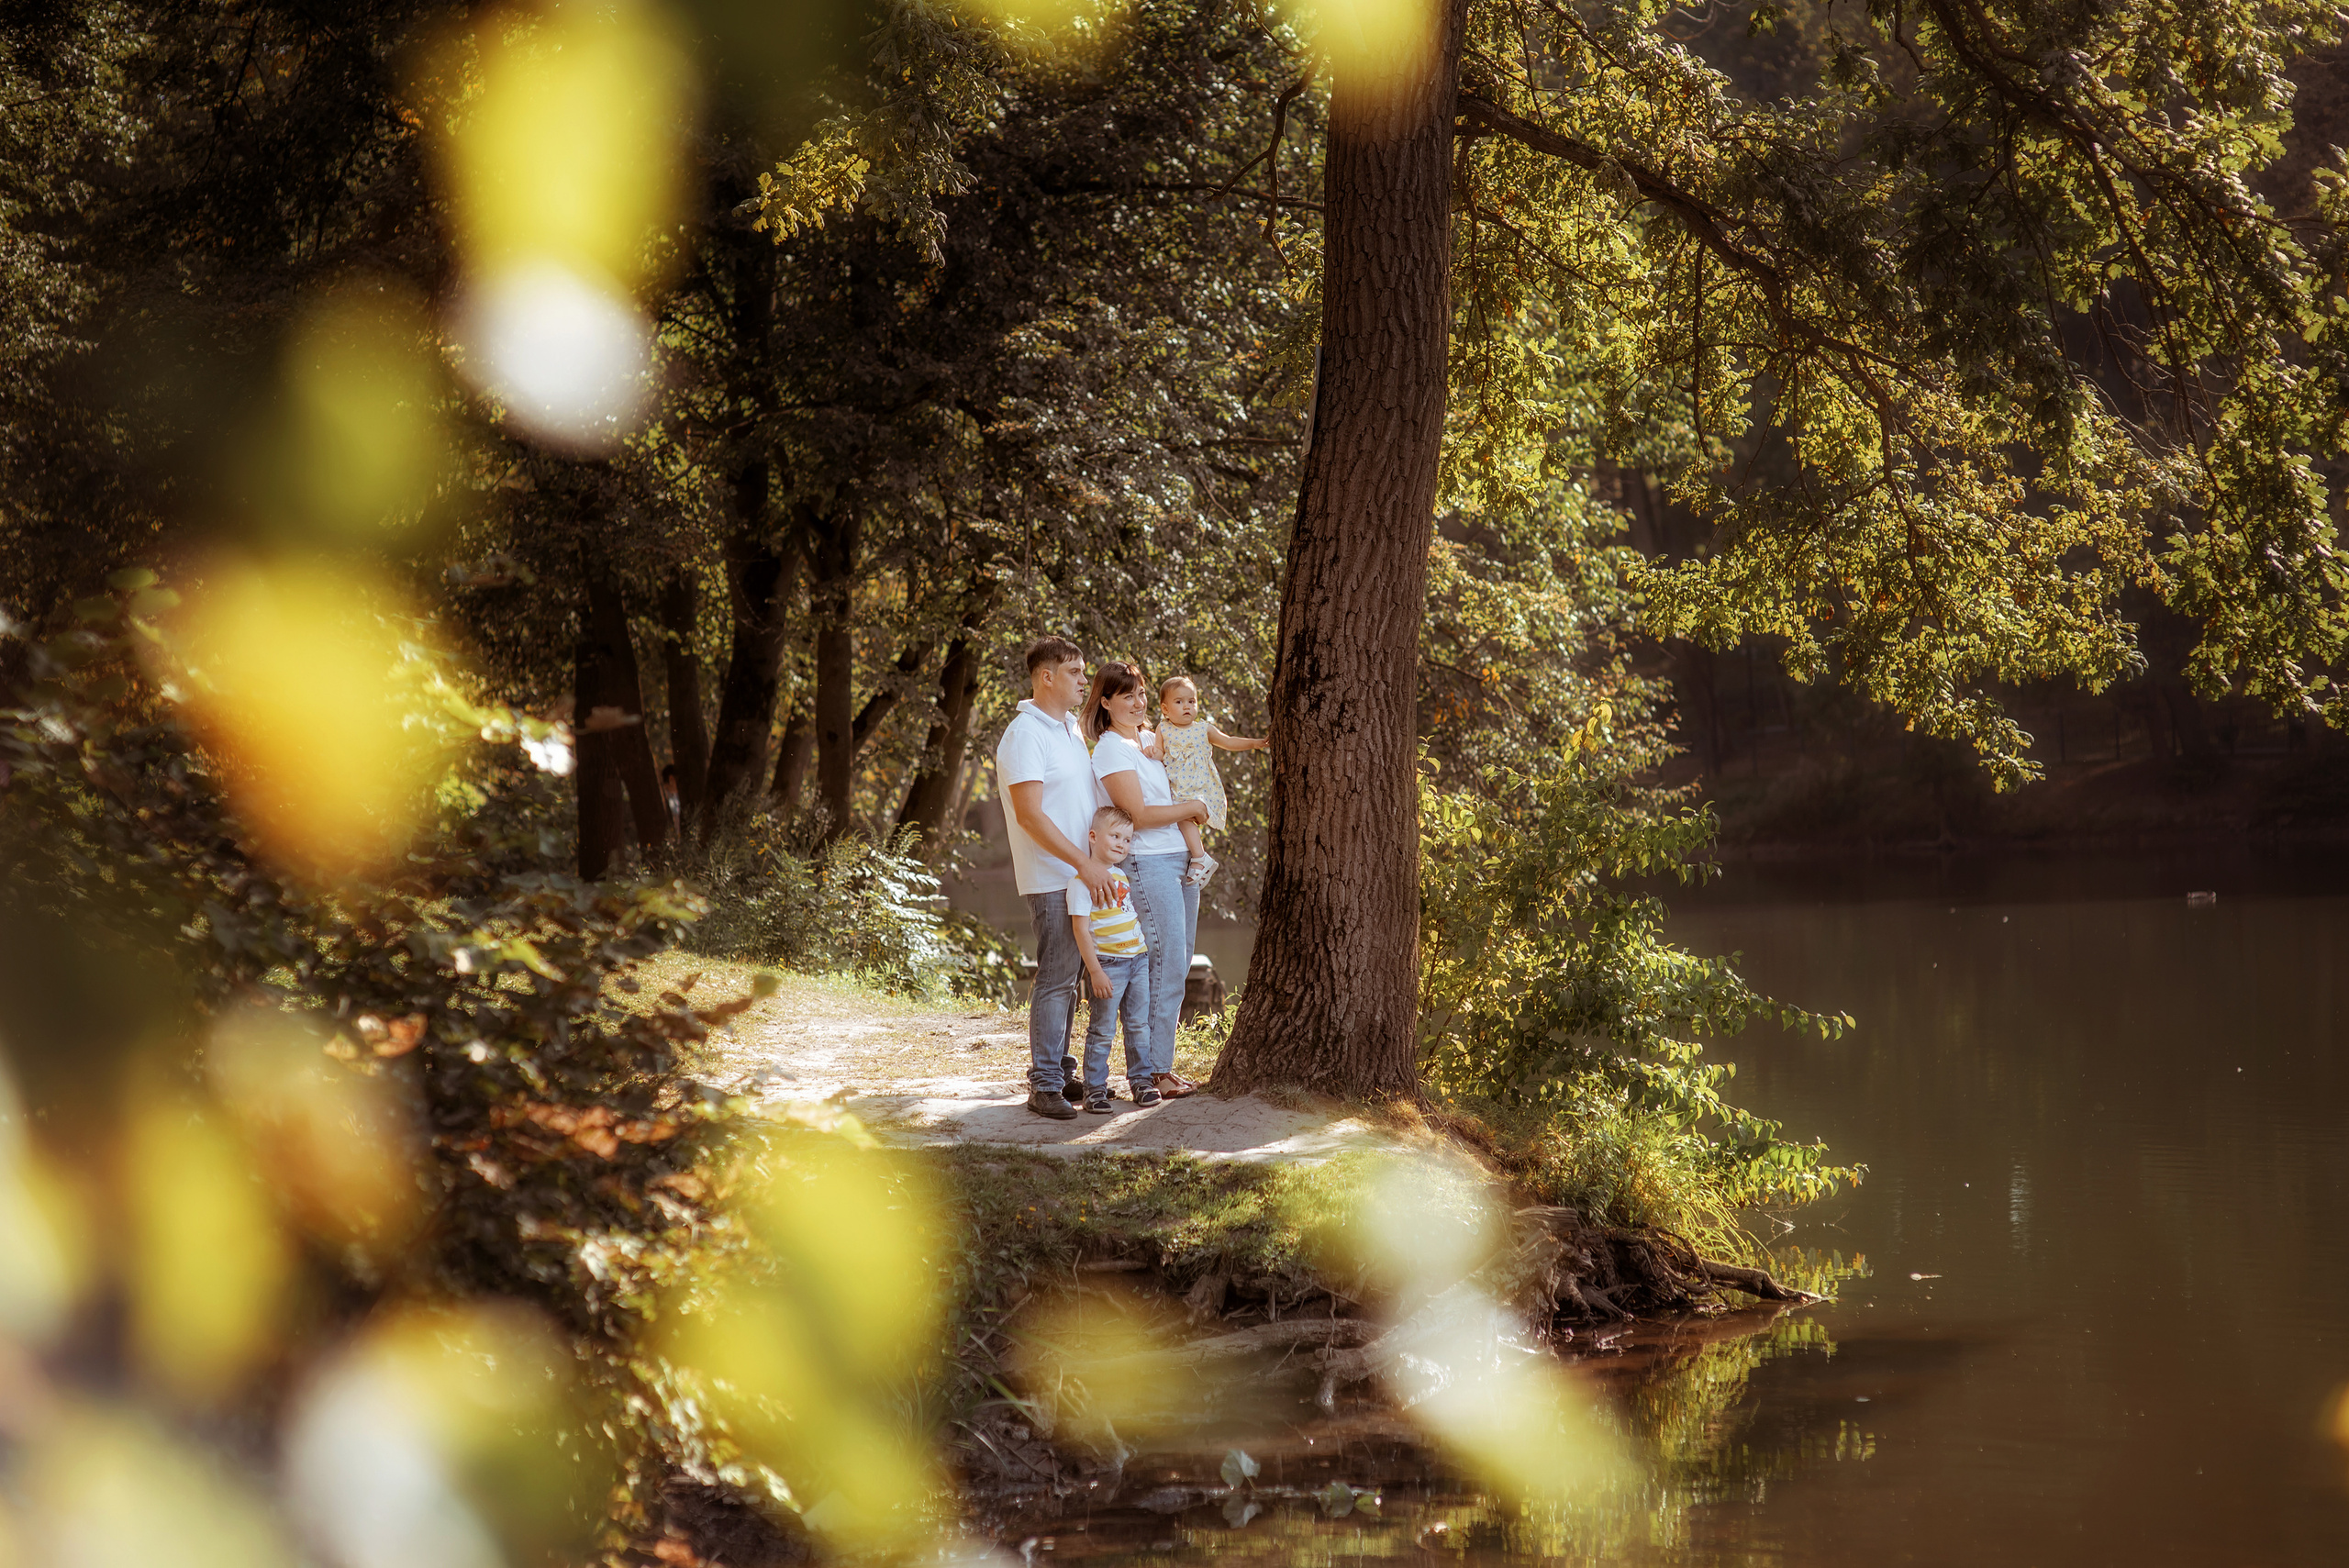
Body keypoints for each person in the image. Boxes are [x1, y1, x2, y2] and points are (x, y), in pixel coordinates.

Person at [995, 636, 1115, 1119]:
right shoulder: (1026, 734)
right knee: (1057, 978)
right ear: (1047, 677)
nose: (1085, 681)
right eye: (1075, 672)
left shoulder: (1068, 728)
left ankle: (1061, 1072)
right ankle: (1043, 1085)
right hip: (1052, 876)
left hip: (1080, 874)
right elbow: (1030, 816)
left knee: (1072, 978)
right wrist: (1083, 864)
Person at [1083, 661, 1211, 1101]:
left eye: (1141, 694)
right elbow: (1137, 817)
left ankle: (1158, 1065)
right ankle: (1156, 1071)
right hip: (1146, 862)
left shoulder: (1146, 740)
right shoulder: (1110, 750)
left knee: (1181, 956)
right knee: (1166, 962)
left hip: (1179, 858)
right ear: (1105, 702)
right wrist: (1192, 807)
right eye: (1127, 696)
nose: (1139, 703)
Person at [1067, 806, 1152, 1113]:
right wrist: (1096, 972)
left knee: (1138, 1025)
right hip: (1109, 965)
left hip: (1138, 960)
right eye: (1114, 836)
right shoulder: (1081, 882)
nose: (1121, 844)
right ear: (1093, 837)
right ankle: (1094, 1091)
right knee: (1102, 1029)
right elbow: (1081, 929)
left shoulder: (1119, 874)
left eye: (1127, 839)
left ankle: (1141, 1083)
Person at [1152, 674, 1266, 886]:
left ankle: (1199, 857)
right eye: (1179, 702)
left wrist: (1255, 743)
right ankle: (1197, 856)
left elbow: (1228, 741)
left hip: (1200, 787)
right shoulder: (1163, 728)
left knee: (1184, 815)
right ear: (1165, 709)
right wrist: (1151, 752)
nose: (1187, 706)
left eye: (1191, 701)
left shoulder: (1203, 729)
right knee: (1180, 817)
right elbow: (1159, 753)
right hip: (1177, 787)